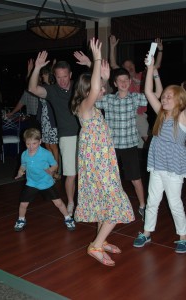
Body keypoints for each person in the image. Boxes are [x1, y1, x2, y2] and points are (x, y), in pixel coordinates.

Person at [71, 38, 135, 267]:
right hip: (98, 165)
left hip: (104, 163)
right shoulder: (84, 108)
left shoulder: (94, 107)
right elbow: (96, 87)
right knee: (116, 203)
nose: (103, 89)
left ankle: (102, 238)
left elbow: (97, 86)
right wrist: (96, 59)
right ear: (89, 91)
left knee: (103, 202)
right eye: (99, 87)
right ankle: (96, 245)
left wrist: (98, 71)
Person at [133, 55, 186, 254]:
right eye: (163, 96)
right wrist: (151, 69)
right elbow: (148, 91)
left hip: (173, 168)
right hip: (157, 166)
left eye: (168, 97)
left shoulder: (182, 117)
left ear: (179, 100)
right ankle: (146, 233)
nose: (164, 99)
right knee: (152, 201)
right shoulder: (161, 114)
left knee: (175, 203)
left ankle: (183, 237)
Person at [29, 53, 80, 217]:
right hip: (66, 136)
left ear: (70, 75)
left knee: (87, 173)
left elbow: (97, 84)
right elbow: (32, 89)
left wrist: (90, 64)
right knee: (70, 174)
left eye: (65, 76)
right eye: (59, 77)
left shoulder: (78, 86)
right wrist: (36, 68)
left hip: (86, 135)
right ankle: (71, 202)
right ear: (55, 77)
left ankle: (86, 202)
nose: (63, 80)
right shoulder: (52, 91)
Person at [95, 67, 148, 220]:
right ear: (115, 83)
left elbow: (154, 96)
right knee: (110, 178)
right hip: (111, 147)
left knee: (135, 178)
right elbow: (93, 96)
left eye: (126, 80)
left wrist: (152, 71)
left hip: (130, 145)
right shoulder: (109, 99)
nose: (124, 83)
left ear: (130, 82)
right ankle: (109, 206)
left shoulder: (135, 97)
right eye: (120, 80)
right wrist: (102, 78)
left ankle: (143, 206)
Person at [14, 128, 75, 232]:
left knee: (58, 203)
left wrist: (51, 170)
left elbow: (55, 165)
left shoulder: (45, 153)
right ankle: (21, 220)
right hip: (31, 183)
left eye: (34, 143)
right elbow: (23, 165)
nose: (31, 146)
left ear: (40, 141)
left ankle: (68, 218)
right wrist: (20, 171)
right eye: (28, 144)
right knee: (23, 203)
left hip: (46, 182)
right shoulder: (24, 154)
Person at [109, 35, 163, 147]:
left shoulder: (142, 75)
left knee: (144, 142)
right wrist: (112, 46)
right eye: (127, 66)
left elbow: (156, 66)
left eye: (131, 64)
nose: (130, 67)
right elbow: (113, 64)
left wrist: (160, 50)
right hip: (128, 115)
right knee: (140, 143)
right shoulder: (124, 79)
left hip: (139, 114)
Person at [38, 63, 60, 179]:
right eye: (42, 74)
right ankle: (51, 169)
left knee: (53, 146)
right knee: (47, 145)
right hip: (45, 121)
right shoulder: (43, 87)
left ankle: (56, 171)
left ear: (48, 74)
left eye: (44, 74)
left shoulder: (53, 87)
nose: (42, 76)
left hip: (52, 121)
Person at [6, 59, 40, 130]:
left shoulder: (42, 88)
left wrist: (30, 71)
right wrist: (12, 113)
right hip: (31, 117)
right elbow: (21, 102)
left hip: (41, 117)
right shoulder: (27, 91)